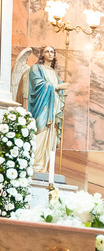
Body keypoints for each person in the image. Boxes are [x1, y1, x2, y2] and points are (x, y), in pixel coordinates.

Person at [16, 46, 66, 176]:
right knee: (40, 133)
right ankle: (35, 165)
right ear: (42, 55)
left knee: (51, 136)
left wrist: (62, 90)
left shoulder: (54, 73)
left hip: (52, 108)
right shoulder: (35, 68)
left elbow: (57, 88)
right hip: (41, 108)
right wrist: (57, 86)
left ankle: (43, 166)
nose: (50, 54)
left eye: (52, 51)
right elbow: (38, 84)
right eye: (47, 51)